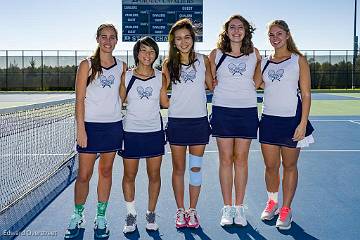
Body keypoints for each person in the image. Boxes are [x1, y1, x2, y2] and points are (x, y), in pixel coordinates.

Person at [65, 23, 126, 239]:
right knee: (83, 175)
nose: (107, 41)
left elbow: (122, 96)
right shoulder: (87, 65)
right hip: (90, 128)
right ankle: (77, 214)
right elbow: (79, 100)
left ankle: (101, 216)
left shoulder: (122, 66)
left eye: (112, 37)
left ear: (116, 40)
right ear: (98, 39)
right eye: (104, 36)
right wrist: (81, 129)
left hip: (113, 127)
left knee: (106, 172)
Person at [256, 20, 314, 230]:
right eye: (271, 35)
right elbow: (256, 84)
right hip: (269, 121)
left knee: (289, 166)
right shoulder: (264, 62)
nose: (275, 38)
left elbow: (306, 94)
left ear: (287, 35)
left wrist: (303, 123)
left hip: (292, 121)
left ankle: (286, 209)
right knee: (271, 167)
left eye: (279, 34)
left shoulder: (299, 60)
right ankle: (272, 203)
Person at [208, 15, 262, 227]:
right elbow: (211, 82)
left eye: (241, 27)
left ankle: (239, 209)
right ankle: (227, 207)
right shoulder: (216, 54)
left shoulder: (255, 54)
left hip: (247, 111)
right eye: (232, 27)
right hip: (222, 110)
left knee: (241, 160)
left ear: (246, 31)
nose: (236, 31)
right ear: (226, 30)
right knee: (225, 160)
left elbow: (257, 81)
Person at [162, 18, 213, 229]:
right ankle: (180, 210)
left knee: (195, 169)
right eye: (179, 39)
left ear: (193, 39)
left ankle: (192, 211)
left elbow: (212, 84)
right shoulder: (167, 64)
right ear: (173, 42)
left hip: (199, 122)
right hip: (177, 123)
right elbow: (162, 95)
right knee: (178, 169)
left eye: (187, 37)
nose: (184, 42)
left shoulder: (204, 60)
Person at [120, 36, 169, 233]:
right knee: (129, 175)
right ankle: (131, 214)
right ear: (137, 53)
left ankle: (151, 214)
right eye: (143, 50)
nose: (148, 55)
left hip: (154, 132)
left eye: (151, 51)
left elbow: (165, 103)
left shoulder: (161, 77)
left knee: (154, 175)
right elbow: (117, 102)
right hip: (130, 132)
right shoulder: (125, 76)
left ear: (156, 54)